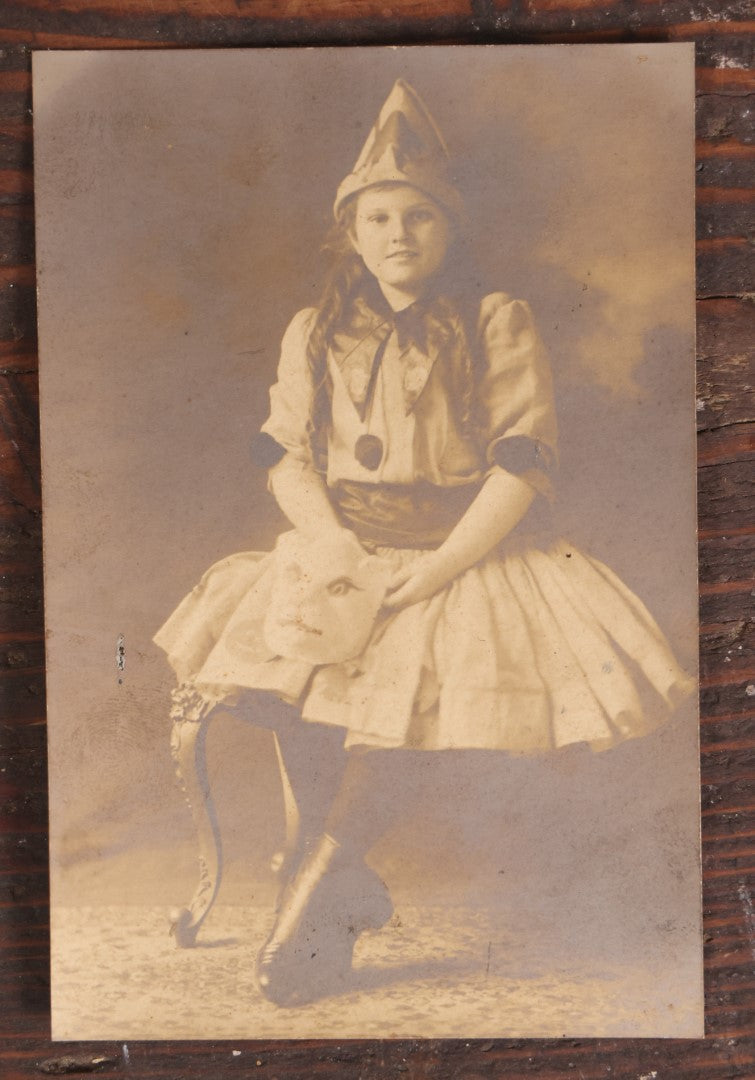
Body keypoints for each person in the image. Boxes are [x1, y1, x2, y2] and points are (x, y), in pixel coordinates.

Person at [155, 79, 693, 1006]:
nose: (397, 235)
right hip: (342, 548)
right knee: (307, 691)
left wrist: (435, 572)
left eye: (418, 217)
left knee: (403, 711)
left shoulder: (495, 320)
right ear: (351, 235)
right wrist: (330, 551)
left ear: (450, 230)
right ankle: (328, 889)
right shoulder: (313, 330)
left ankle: (316, 885)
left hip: (464, 555)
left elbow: (521, 465)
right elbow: (283, 455)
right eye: (376, 219)